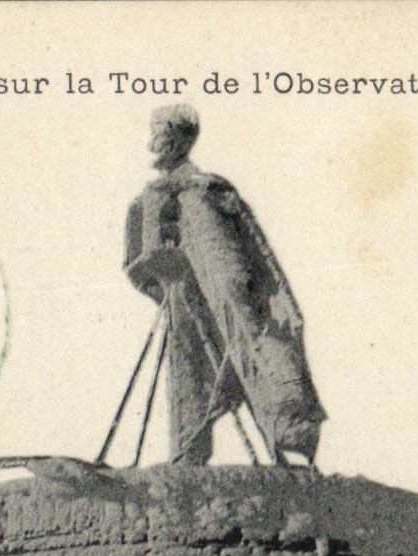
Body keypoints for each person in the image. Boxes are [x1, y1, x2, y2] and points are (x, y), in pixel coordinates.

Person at [125, 106, 326, 465]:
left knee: (247, 347)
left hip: (224, 306)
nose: (155, 144)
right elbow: (141, 264)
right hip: (185, 299)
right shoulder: (159, 197)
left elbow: (233, 276)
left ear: (178, 141)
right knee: (191, 369)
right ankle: (191, 453)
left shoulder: (202, 194)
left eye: (163, 135)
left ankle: (281, 437)